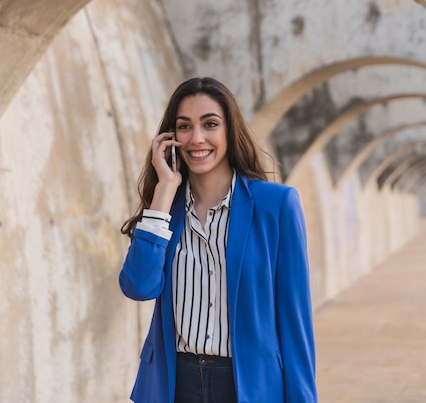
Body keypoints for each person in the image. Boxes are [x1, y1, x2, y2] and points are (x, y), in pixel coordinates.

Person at [119, 77, 317, 403]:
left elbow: (296, 325)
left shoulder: (277, 205)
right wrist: (165, 190)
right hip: (173, 383)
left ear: (229, 131)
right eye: (184, 127)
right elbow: (139, 286)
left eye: (210, 124)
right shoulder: (165, 210)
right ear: (172, 137)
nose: (197, 138)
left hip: (247, 387)